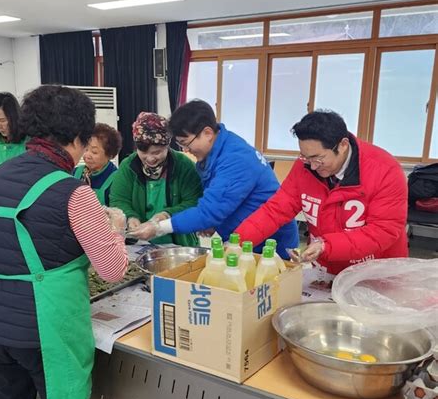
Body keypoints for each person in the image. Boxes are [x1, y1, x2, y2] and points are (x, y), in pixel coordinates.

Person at [0, 85, 128, 399]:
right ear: (78, 136)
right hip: (47, 332)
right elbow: (113, 269)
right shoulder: (74, 192)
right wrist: (118, 230)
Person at [235, 110, 408, 275]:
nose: (313, 166)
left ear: (342, 145)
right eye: (305, 157)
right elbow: (276, 210)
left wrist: (326, 246)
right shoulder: (305, 166)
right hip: (328, 270)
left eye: (319, 158)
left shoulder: (384, 170)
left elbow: (383, 231)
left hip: (373, 273)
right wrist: (237, 242)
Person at [128, 100, 299, 257]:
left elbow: (209, 211)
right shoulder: (216, 150)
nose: (186, 150)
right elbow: (220, 200)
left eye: (186, 143)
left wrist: (159, 228)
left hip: (269, 246)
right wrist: (214, 223)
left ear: (208, 133)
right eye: (181, 145)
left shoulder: (235, 159)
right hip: (242, 239)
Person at [110, 112, 202, 246]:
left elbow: (194, 202)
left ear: (167, 146)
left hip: (180, 244)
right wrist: (130, 217)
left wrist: (165, 216)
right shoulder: (128, 166)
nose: (150, 159)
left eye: (156, 152)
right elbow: (118, 199)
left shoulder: (184, 166)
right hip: (139, 245)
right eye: (143, 152)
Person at [73, 122, 122, 205]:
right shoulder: (75, 172)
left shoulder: (116, 180)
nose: (87, 155)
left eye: (94, 152)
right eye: (86, 149)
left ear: (110, 155)